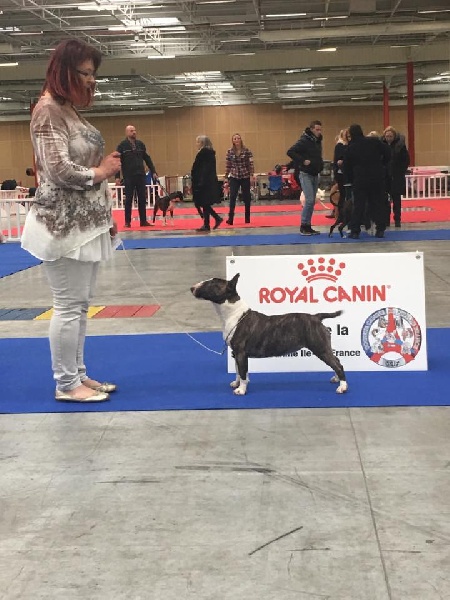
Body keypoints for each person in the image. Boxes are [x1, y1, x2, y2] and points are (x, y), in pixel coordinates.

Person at [20, 39, 122, 403]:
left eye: (94, 74)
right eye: (87, 73)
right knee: (67, 306)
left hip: (85, 224)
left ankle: (77, 374)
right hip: (61, 226)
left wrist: (105, 216)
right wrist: (103, 170)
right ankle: (65, 384)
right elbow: (58, 170)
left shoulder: (68, 110)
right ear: (66, 71)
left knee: (79, 305)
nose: (92, 81)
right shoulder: (47, 110)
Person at [344, 123, 391, 239]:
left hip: (360, 179)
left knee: (358, 205)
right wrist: (382, 165)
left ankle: (355, 231)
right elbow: (388, 152)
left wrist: (351, 179)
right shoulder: (373, 141)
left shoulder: (351, 147)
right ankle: (380, 229)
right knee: (377, 203)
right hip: (376, 177)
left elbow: (347, 166)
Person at [287, 120, 324, 235]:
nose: (319, 132)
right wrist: (302, 161)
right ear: (312, 129)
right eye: (317, 130)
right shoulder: (304, 140)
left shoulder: (317, 141)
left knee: (312, 201)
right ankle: (303, 225)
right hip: (305, 173)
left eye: (320, 130)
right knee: (309, 200)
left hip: (315, 173)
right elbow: (290, 152)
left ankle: (308, 225)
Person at [116, 125, 157, 228]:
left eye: (134, 130)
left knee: (142, 198)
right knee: (129, 199)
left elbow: (147, 158)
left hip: (140, 175)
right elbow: (117, 161)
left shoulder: (140, 144)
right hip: (129, 176)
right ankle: (127, 222)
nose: (134, 132)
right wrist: (117, 177)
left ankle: (143, 221)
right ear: (126, 132)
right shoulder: (122, 146)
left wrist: (153, 171)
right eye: (131, 131)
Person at [191, 135, 223, 232]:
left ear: (202, 143)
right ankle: (207, 224)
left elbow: (204, 169)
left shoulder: (204, 153)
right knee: (205, 203)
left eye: (198, 142)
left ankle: (216, 218)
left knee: (203, 203)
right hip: (207, 181)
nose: (196, 144)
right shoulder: (209, 153)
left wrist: (200, 181)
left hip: (204, 182)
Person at [382, 125, 410, 227]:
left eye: (390, 136)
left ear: (394, 136)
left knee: (397, 200)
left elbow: (406, 160)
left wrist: (400, 172)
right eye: (387, 136)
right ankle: (386, 220)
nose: (388, 138)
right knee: (385, 200)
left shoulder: (401, 146)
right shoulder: (382, 146)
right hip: (385, 177)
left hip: (396, 177)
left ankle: (397, 219)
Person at [224, 133, 255, 225]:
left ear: (241, 140)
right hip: (234, 176)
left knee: (247, 197)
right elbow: (228, 165)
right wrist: (226, 176)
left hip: (245, 176)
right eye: (235, 138)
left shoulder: (247, 151)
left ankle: (247, 218)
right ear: (233, 141)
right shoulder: (229, 151)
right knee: (232, 197)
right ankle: (230, 219)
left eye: (238, 138)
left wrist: (251, 175)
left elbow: (251, 164)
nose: (237, 140)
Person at [329, 128, 350, 219]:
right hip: (341, 174)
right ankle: (340, 215)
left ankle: (341, 214)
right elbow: (337, 161)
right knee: (342, 195)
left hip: (346, 173)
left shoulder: (349, 145)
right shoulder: (340, 146)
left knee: (345, 195)